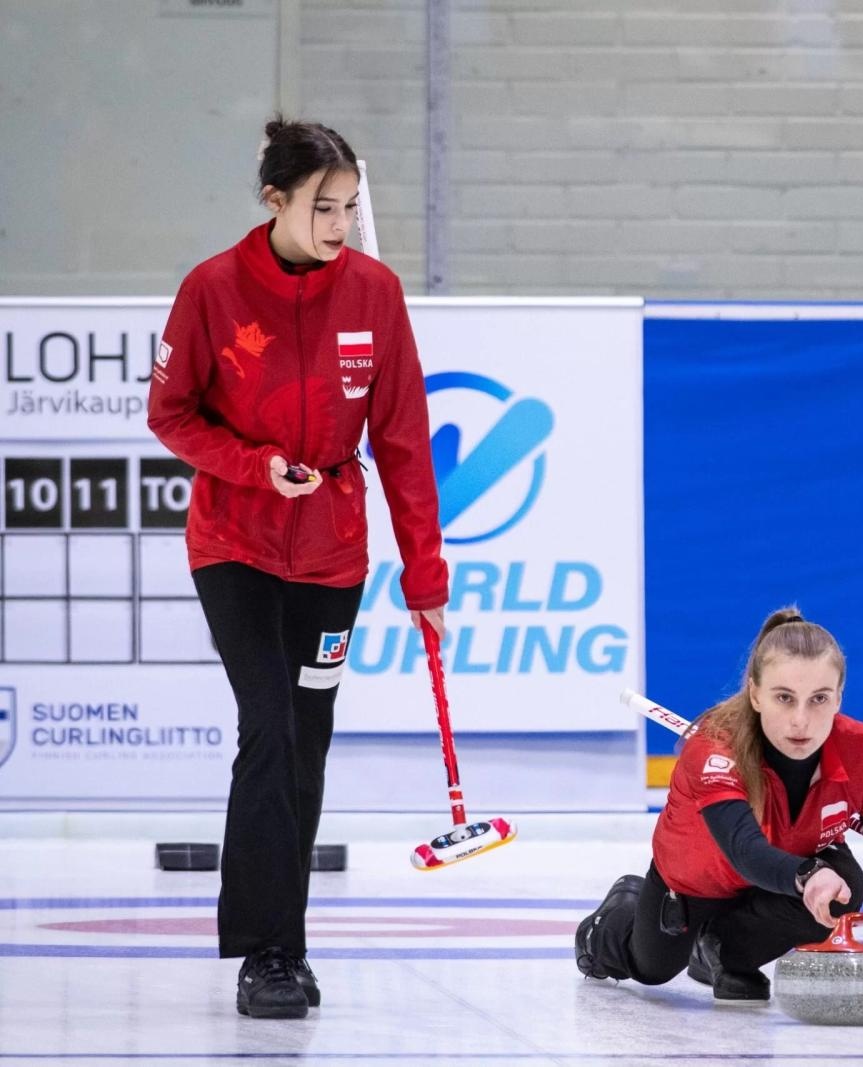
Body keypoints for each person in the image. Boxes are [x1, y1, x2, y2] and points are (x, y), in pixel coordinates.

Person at [147, 117, 449, 1020]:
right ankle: (268, 951)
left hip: (331, 555)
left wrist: (425, 577)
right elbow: (171, 415)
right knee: (270, 726)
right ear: (275, 200)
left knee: (306, 740)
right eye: (324, 208)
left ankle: (288, 942)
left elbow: (402, 442)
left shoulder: (376, 294)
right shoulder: (211, 290)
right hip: (234, 544)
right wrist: (254, 464)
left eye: (352, 208)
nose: (342, 226)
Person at [574, 608, 863, 1001]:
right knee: (652, 969)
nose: (801, 721)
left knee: (845, 887)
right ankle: (617, 916)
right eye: (784, 698)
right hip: (695, 882)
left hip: (784, 872)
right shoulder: (715, 750)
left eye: (819, 699)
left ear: (839, 696)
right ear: (756, 695)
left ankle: (724, 952)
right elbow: (743, 846)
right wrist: (806, 875)